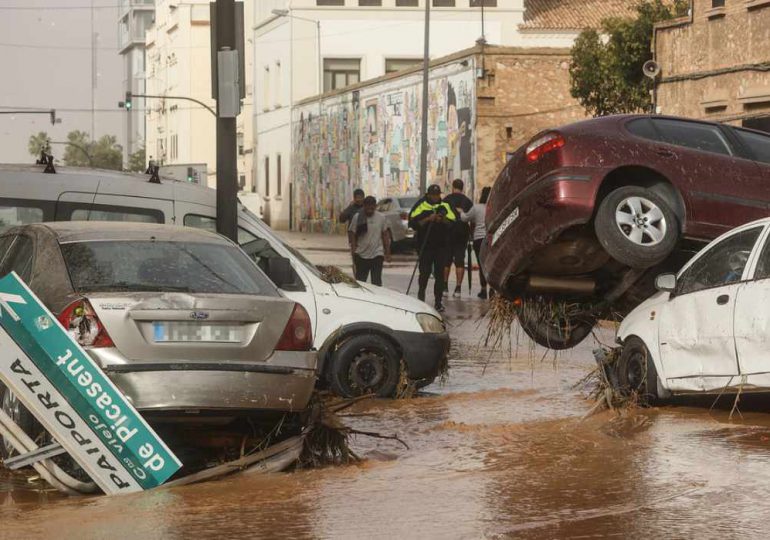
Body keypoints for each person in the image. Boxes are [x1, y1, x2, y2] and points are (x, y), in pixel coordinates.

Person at [409, 184, 456, 312]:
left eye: (437, 195)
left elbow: (453, 223)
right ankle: (421, 297)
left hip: (441, 246)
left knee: (440, 275)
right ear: (428, 195)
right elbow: (412, 223)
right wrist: (428, 219)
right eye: (433, 195)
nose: (436, 197)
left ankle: (438, 301)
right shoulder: (421, 205)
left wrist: (443, 220)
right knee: (424, 273)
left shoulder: (445, 205)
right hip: (425, 245)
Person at [348, 196, 391, 286]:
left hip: (377, 254)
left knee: (376, 282)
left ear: (375, 206)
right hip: (361, 255)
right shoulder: (358, 217)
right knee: (360, 283)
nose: (370, 210)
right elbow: (352, 233)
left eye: (372, 207)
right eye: (367, 207)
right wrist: (353, 250)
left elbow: (385, 235)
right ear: (364, 206)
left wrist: (387, 252)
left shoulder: (381, 217)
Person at [443, 179, 473, 298]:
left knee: (446, 261)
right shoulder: (467, 202)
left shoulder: (446, 200)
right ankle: (458, 288)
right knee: (460, 261)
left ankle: (445, 287)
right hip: (462, 234)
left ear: (453, 187)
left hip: (448, 234)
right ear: (462, 187)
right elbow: (472, 219)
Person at [461, 186, 491, 299]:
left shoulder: (477, 208)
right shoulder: (493, 207)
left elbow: (465, 218)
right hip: (492, 239)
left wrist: (460, 212)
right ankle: (493, 289)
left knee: (482, 265)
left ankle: (483, 290)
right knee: (491, 264)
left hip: (479, 239)